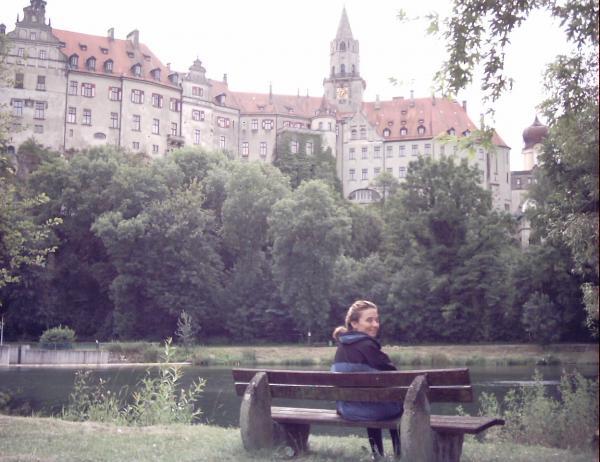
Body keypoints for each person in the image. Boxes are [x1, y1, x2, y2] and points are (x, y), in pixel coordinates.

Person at [331, 300, 402, 457]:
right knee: (399, 402)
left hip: (346, 410)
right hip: (370, 411)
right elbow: (397, 378)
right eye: (369, 320)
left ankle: (377, 454)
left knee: (372, 397)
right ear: (354, 323)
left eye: (377, 320)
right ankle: (399, 453)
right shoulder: (368, 346)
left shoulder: (341, 347)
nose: (375, 324)